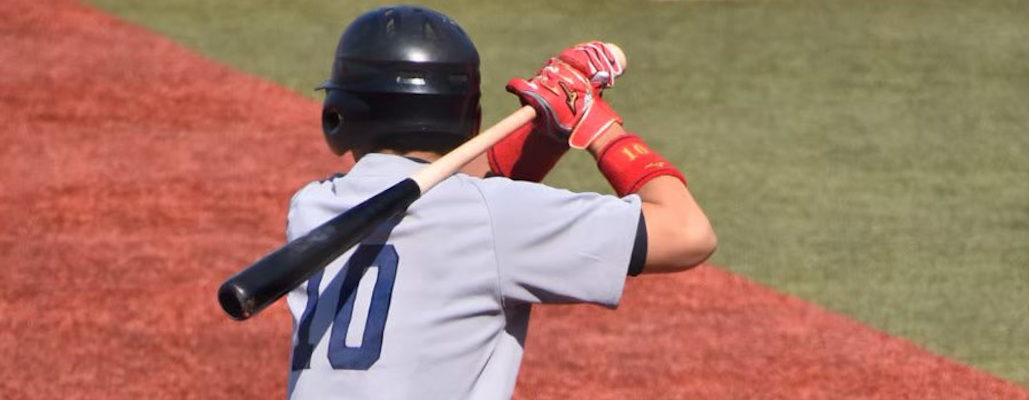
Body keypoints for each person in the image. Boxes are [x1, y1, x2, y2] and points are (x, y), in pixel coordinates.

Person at [284, 5, 716, 400]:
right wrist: (597, 127)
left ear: (341, 112)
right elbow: (688, 233)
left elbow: (465, 198)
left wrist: (546, 131)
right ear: (467, 114)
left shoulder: (312, 209)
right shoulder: (493, 216)